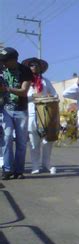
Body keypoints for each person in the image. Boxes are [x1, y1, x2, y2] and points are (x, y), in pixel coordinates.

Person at [0, 47, 33, 180]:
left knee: (21, 141)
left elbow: (24, 91)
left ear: (13, 60)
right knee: (7, 138)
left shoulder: (25, 71)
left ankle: (19, 170)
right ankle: (7, 169)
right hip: (5, 109)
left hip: (21, 110)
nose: (3, 63)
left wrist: (6, 88)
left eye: (5, 61)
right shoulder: (1, 69)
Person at [22, 57, 58, 175]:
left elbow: (55, 95)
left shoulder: (45, 81)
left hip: (46, 114)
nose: (34, 67)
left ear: (40, 68)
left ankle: (46, 163)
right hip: (31, 114)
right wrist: (33, 97)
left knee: (48, 140)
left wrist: (47, 97)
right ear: (28, 67)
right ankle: (35, 165)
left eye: (36, 65)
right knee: (34, 141)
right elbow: (21, 98)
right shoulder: (24, 82)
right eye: (32, 65)